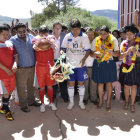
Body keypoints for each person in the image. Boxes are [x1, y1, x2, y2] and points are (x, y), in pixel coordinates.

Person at [10, 23, 41, 113]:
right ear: (16, 31)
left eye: (24, 31)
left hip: (32, 67)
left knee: (31, 86)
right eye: (20, 32)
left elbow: (39, 42)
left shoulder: (31, 37)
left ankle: (31, 101)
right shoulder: (13, 40)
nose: (22, 33)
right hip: (20, 69)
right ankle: (23, 105)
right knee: (21, 87)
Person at [61, 18, 91, 110]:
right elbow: (63, 48)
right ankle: (71, 102)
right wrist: (62, 54)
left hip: (81, 65)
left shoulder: (84, 36)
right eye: (73, 29)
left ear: (80, 28)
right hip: (70, 65)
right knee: (70, 84)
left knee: (81, 84)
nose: (75, 31)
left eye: (77, 29)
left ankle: (81, 102)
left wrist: (84, 60)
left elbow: (88, 51)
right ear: (70, 28)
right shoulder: (67, 36)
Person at [91, 25, 120, 111]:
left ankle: (108, 103)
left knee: (109, 84)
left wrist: (112, 53)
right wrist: (95, 54)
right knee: (100, 84)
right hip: (99, 63)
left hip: (109, 63)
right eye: (101, 33)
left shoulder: (113, 40)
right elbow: (91, 54)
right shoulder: (96, 40)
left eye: (105, 34)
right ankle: (100, 102)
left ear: (108, 33)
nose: (103, 35)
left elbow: (117, 54)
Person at [32, 26, 57, 112]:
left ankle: (50, 102)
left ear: (48, 33)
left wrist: (50, 44)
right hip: (40, 66)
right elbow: (35, 47)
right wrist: (41, 45)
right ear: (39, 33)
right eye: (42, 34)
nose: (44, 36)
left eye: (45, 33)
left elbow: (54, 45)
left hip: (50, 64)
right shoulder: (36, 39)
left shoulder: (51, 38)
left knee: (50, 86)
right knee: (41, 87)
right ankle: (42, 104)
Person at [119, 24, 140, 112]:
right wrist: (127, 52)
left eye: (131, 34)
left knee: (134, 86)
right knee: (126, 86)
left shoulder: (139, 43)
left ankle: (132, 104)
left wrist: (135, 52)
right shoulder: (124, 43)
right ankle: (127, 102)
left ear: (135, 34)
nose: (129, 36)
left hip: (135, 67)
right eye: (127, 34)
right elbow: (120, 56)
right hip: (125, 66)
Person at [0, 25, 17, 120]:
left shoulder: (10, 43)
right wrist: (6, 69)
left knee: (10, 90)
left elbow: (15, 56)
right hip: (2, 74)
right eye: (3, 34)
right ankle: (7, 111)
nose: (6, 36)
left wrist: (15, 64)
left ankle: (3, 107)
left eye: (7, 34)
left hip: (11, 73)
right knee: (6, 92)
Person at [52, 22, 69, 103]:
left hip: (62, 60)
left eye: (59, 28)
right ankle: (53, 97)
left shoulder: (65, 36)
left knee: (62, 80)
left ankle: (64, 96)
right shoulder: (49, 37)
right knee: (53, 81)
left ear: (61, 29)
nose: (58, 29)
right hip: (52, 61)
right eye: (56, 28)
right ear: (53, 28)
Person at [83, 27, 98, 105]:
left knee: (94, 83)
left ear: (94, 35)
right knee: (85, 84)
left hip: (94, 66)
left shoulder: (97, 42)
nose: (90, 36)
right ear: (86, 34)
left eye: (92, 34)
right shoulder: (83, 43)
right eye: (89, 34)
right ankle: (85, 98)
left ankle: (93, 98)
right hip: (85, 66)